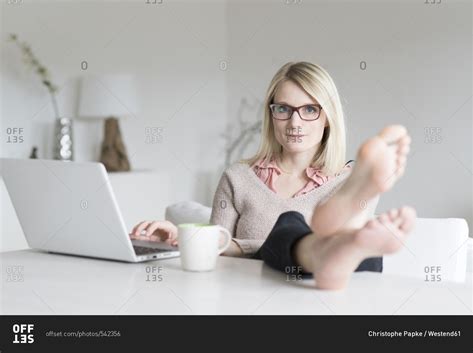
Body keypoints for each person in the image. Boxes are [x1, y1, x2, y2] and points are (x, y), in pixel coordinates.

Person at [130, 61, 416, 290]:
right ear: (271, 114)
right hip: (249, 295)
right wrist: (183, 236)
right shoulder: (237, 177)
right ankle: (332, 250)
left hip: (314, 295)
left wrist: (240, 248)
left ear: (328, 117)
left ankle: (337, 248)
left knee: (304, 229)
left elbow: (228, 246)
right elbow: (218, 248)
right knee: (290, 225)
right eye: (283, 109)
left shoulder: (346, 180)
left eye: (309, 110)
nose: (294, 122)